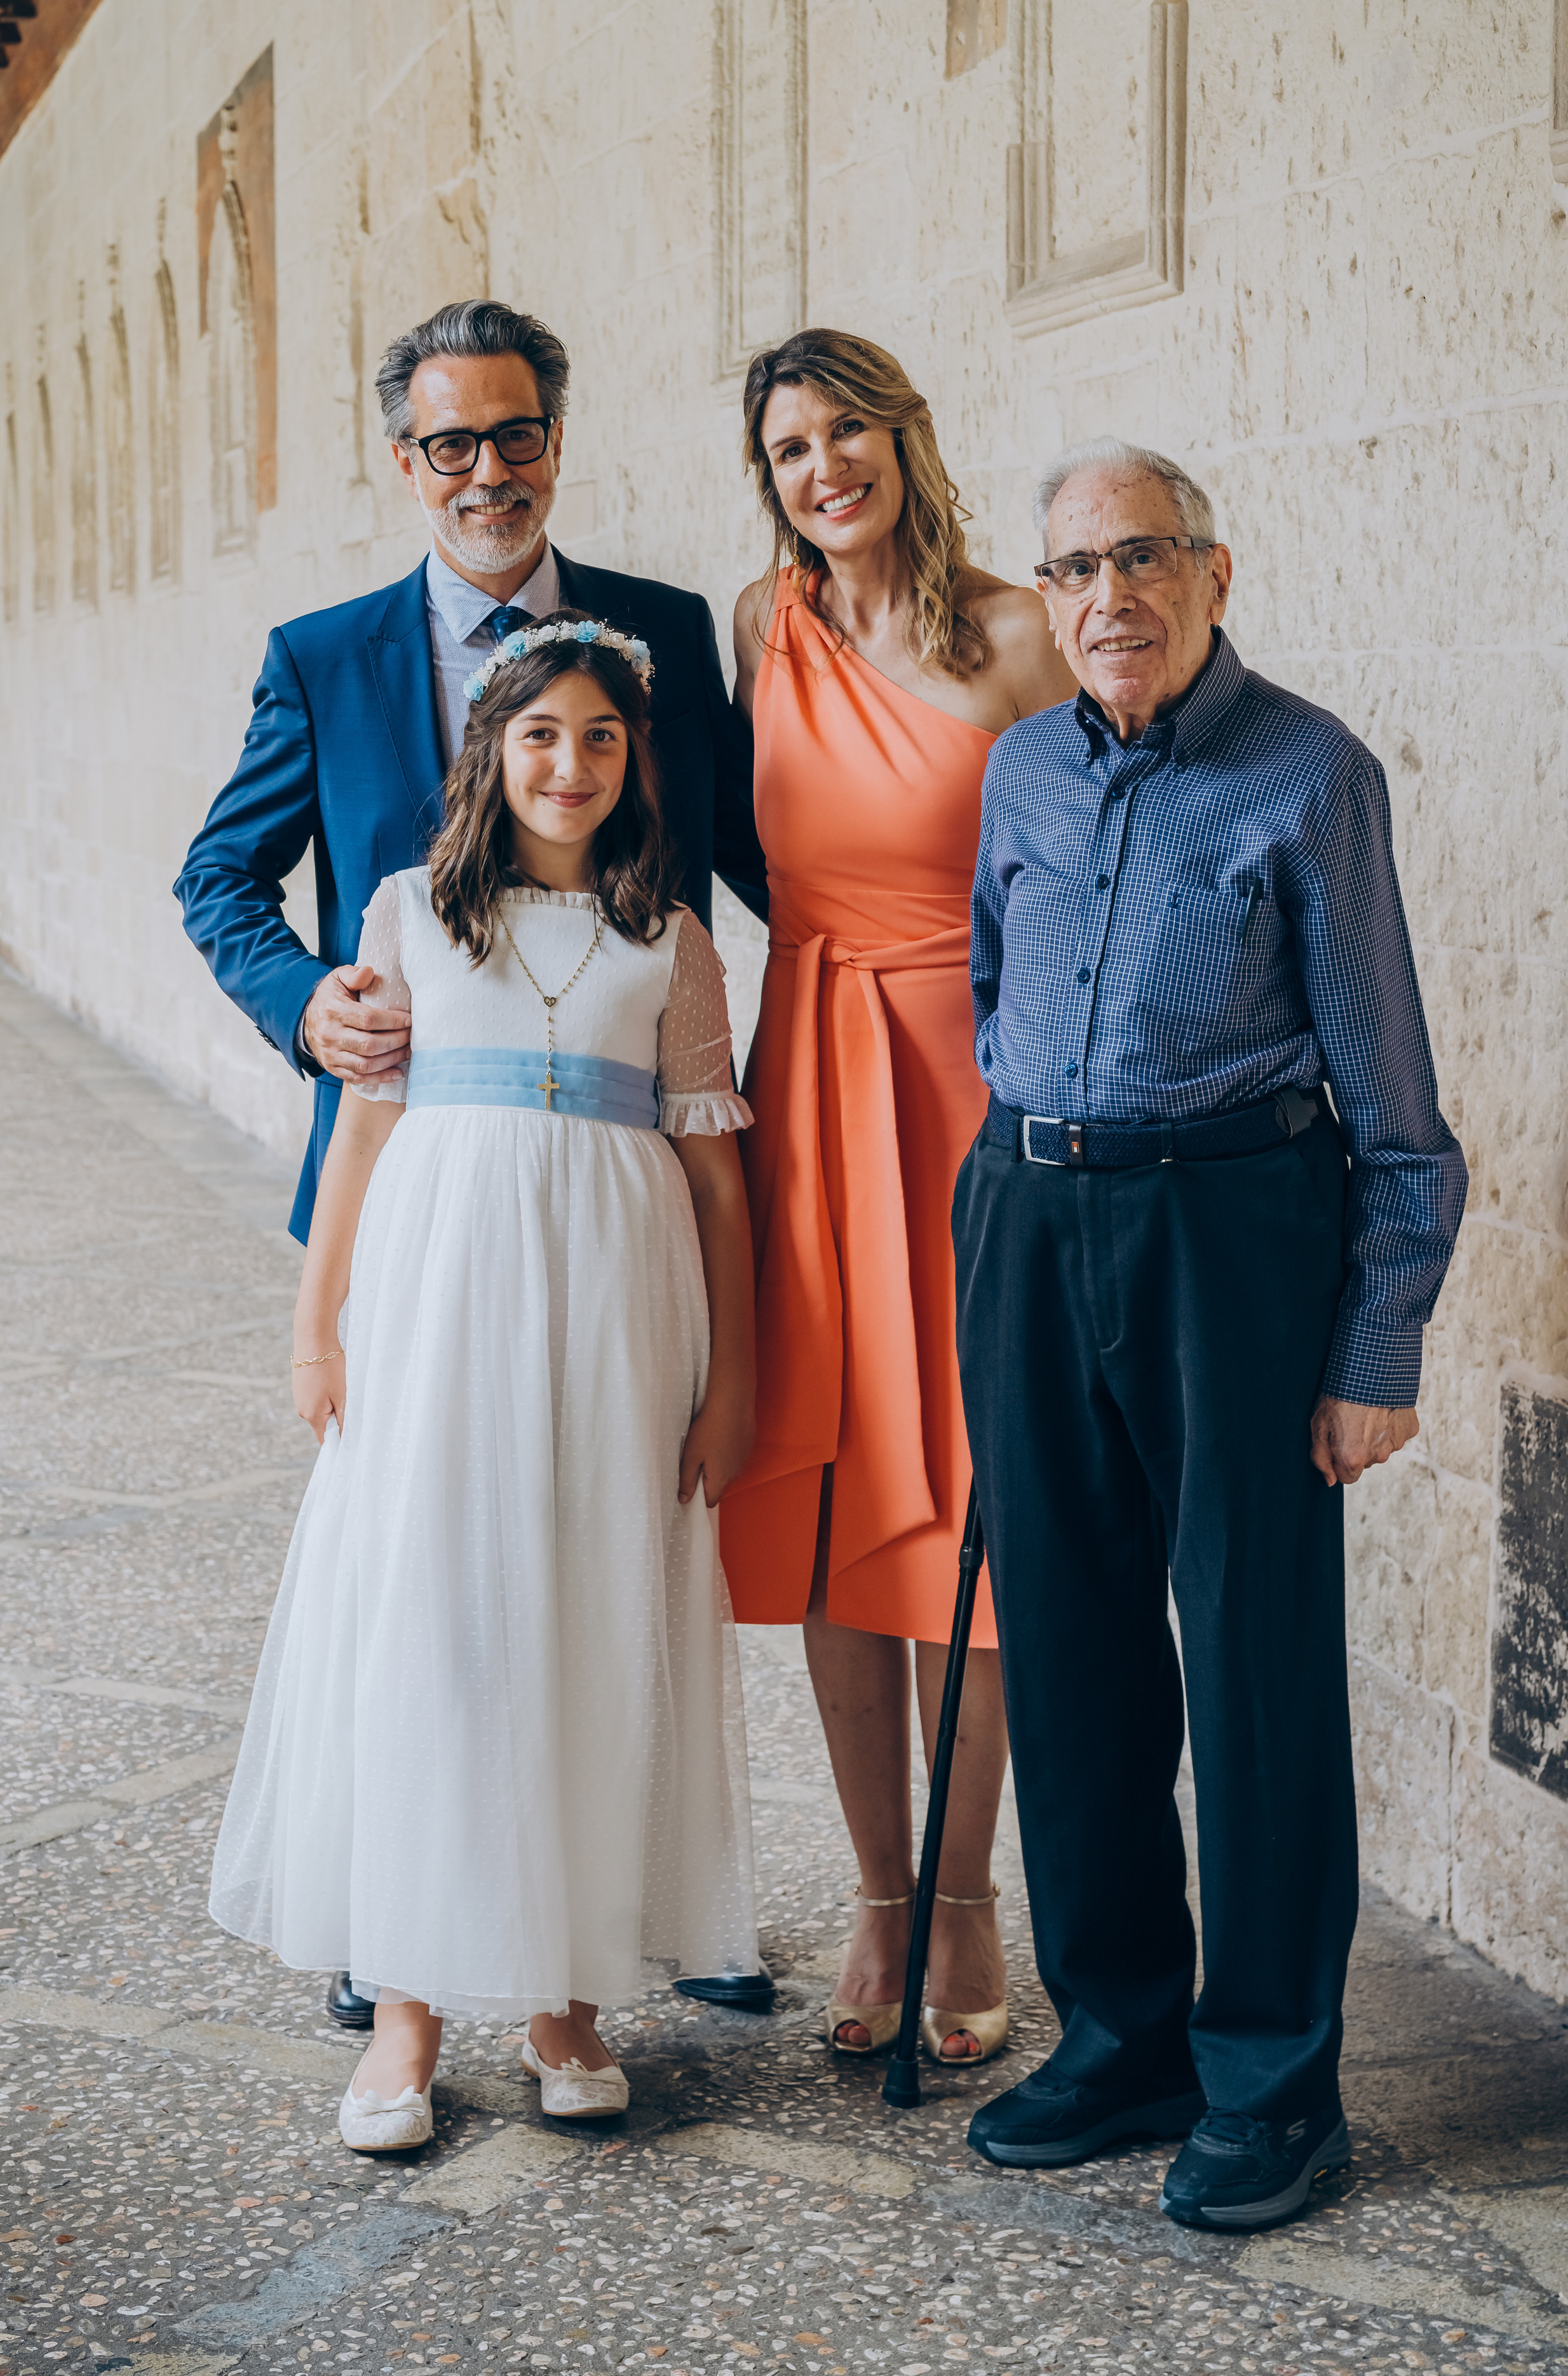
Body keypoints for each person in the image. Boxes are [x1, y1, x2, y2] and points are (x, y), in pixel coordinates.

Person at [177, 297, 770, 2030]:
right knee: (422, 1577)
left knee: (595, 1557)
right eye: (453, 442)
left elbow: (761, 858)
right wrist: (310, 1004)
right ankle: (403, 1919)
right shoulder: (324, 655)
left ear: (556, 441)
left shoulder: (663, 637)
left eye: (517, 434)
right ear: (406, 461)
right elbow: (218, 878)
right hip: (419, 1194)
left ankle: (606, 1913)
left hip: (616, 1205)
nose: (488, 470)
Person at [953, 436, 1467, 2228]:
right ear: (1045, 595)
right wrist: (1016, 1186)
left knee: (1254, 1664)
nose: (1112, 596)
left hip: (1234, 1232)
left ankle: (1270, 2080)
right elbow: (993, 987)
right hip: (1034, 1219)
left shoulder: (1313, 772)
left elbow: (1393, 1091)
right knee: (1071, 1649)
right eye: (1078, 567)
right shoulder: (1021, 768)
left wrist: (1378, 1343)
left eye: (1146, 557)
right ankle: (1124, 2040)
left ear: (1214, 574)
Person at [717, 328, 1076, 2067]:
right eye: (790, 449)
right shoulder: (758, 624)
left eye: (846, 431)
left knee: (972, 1501)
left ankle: (966, 1891)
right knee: (833, 1489)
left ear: (906, 437)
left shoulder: (1019, 634)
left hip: (970, 1090)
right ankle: (878, 1886)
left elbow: (1083, 875)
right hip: (809, 1078)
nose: (824, 469)